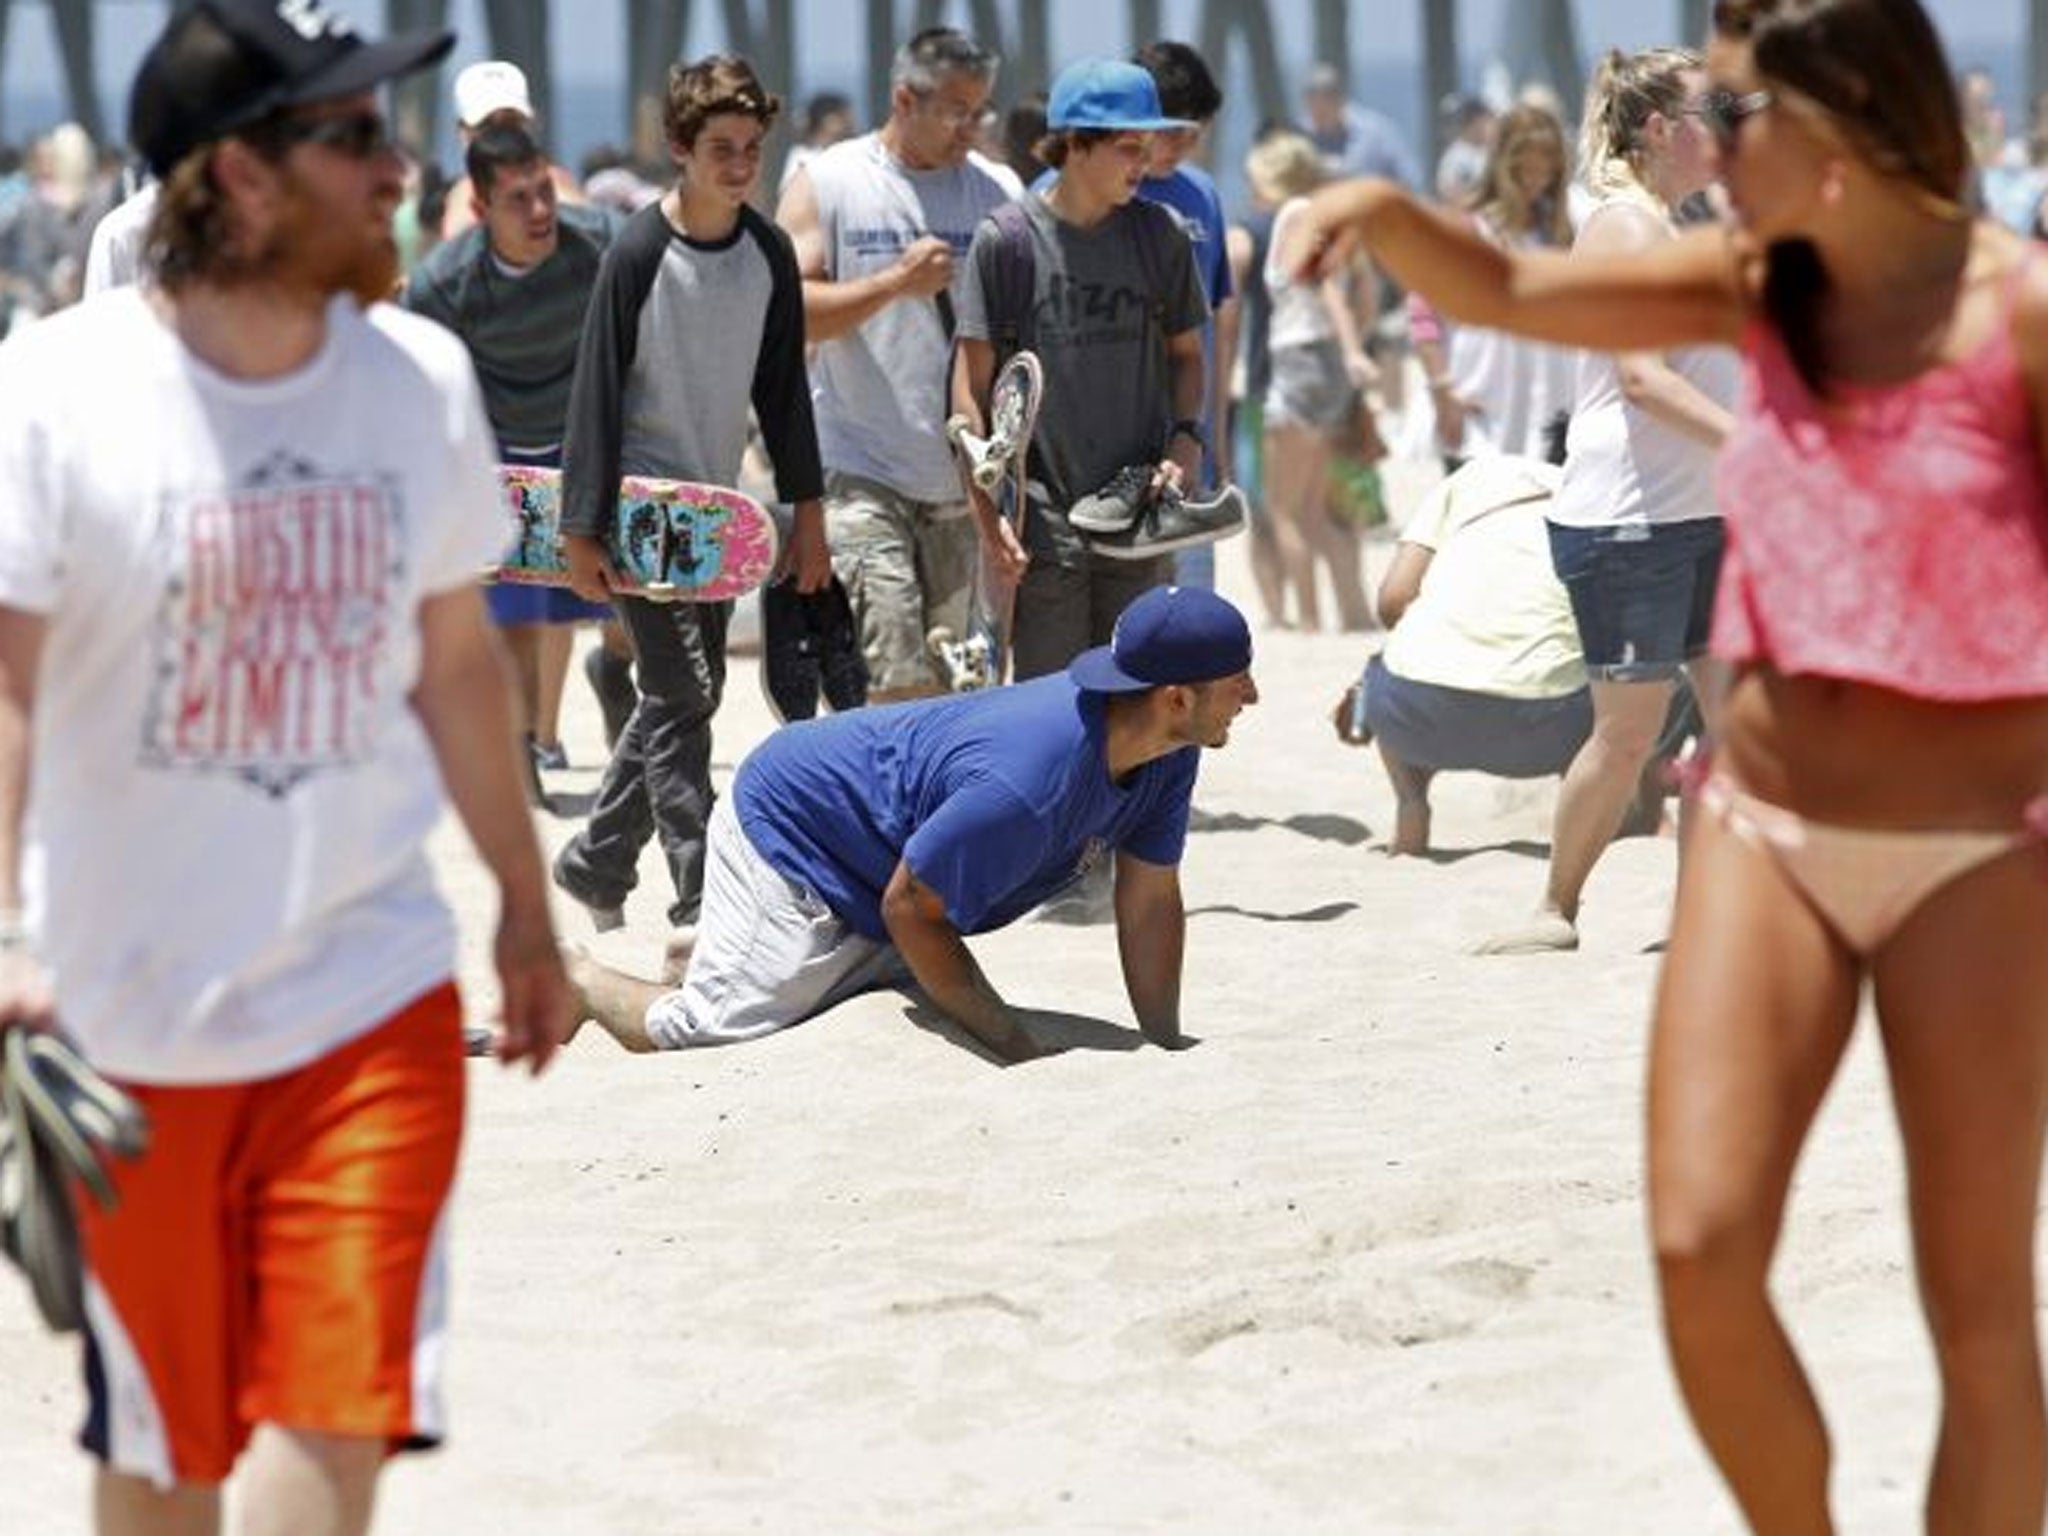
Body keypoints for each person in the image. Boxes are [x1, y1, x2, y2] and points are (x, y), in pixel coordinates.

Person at [1287, 0, 2048, 1528]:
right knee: (1702, 1247)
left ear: (1839, 117)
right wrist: (1375, 209)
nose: (1709, 147)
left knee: (1976, 1310)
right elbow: (1513, 284)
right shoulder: (1758, 282)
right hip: (1766, 825)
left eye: (1740, 114)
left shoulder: (2017, 313)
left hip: (1978, 848)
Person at [0, 1, 573, 1530]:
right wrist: (4, 945)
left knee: (335, 1424)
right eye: (357, 135)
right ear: (241, 176)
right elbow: (10, 700)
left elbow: (457, 665)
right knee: (166, 1450)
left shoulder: (417, 386)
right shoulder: (54, 395)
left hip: (367, 1001)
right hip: (125, 1032)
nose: (401, 171)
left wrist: (524, 908)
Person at [566, 585, 1257, 1064]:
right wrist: (1015, 1049)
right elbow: (908, 907)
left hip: (878, 863)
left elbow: (1150, 898)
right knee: (712, 1030)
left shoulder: (1167, 750)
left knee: (868, 977)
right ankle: (586, 980)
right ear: (1173, 697)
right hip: (791, 831)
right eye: (1238, 681)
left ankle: (720, 954)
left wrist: (1163, 1044)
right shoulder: (1028, 782)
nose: (1251, 696)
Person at [552, 54, 832, 933]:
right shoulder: (638, 249)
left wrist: (808, 519)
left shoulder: (767, 253)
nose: (741, 162)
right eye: (721, 146)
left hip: (717, 515)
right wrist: (582, 528)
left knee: (689, 695)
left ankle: (596, 862)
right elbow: (594, 387)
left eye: (753, 146)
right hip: (639, 512)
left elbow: (783, 396)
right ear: (679, 148)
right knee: (679, 697)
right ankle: (698, 895)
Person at [1472, 49, 1735, 955]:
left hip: (1700, 513)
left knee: (1738, 731)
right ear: (1661, 130)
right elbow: (1642, 380)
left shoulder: (1682, 221)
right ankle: (1556, 907)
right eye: (1714, 112)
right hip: (1629, 522)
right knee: (1627, 739)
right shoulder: (1627, 229)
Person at [774, 27, 1015, 704]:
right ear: (905, 98)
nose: (972, 127)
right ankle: (891, 808)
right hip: (860, 466)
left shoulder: (997, 191)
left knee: (956, 680)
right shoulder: (829, 180)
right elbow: (786, 313)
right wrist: (893, 284)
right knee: (893, 669)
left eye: (981, 112)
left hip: (964, 479)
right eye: (957, 111)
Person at [950, 57, 1211, 681]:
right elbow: (969, 390)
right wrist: (989, 522)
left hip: (1140, 513)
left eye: (1148, 147)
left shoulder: (1161, 236)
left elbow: (1187, 359)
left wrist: (1186, 441)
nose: (1143, 164)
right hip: (1041, 522)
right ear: (1072, 145)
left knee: (1137, 697)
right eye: (1127, 147)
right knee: (1057, 706)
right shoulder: (1006, 243)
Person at [401, 121, 621, 794]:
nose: (539, 212)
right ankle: (522, 757)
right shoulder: (443, 283)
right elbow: (426, 393)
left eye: (544, 193)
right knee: (518, 622)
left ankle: (614, 675)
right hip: (496, 453)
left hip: (584, 437)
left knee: (625, 610)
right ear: (481, 209)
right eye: (518, 200)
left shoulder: (602, 243)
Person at [1409, 103, 1579, 469]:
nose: (1536, 181)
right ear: (1502, 165)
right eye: (1524, 171)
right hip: (1479, 411)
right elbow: (1423, 314)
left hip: (1551, 415)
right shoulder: (1466, 228)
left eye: (1545, 170)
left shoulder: (1560, 231)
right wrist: (1442, 391)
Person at [1255, 130, 1377, 631]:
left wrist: (1350, 349)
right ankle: (1352, 615)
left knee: (1285, 508)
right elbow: (1363, 292)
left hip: (1301, 359)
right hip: (1326, 366)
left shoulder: (1295, 215)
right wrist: (1352, 348)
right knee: (1318, 506)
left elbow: (1323, 287)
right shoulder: (1329, 217)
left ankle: (1308, 620)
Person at [437, 60, 582, 243]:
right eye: (486, 125)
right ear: (462, 132)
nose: (501, 137)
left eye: (511, 123)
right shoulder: (462, 197)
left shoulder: (557, 187)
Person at [1302, 61, 1419, 187]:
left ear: (1341, 101)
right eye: (1312, 109)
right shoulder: (1299, 136)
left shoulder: (1376, 133)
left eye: (1323, 111)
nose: (1317, 118)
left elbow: (1409, 178)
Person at [776, 89, 856, 195]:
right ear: (828, 120)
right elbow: (788, 195)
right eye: (844, 116)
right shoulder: (803, 155)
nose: (850, 123)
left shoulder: (850, 155)